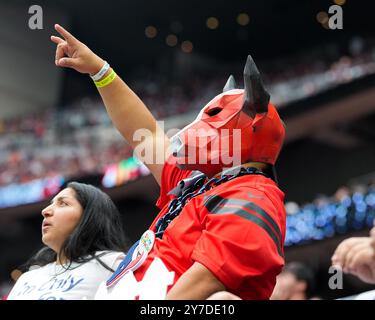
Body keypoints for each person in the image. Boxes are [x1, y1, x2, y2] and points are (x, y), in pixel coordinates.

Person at [51, 24, 286, 300]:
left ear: (254, 124)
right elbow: (146, 135)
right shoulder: (195, 184)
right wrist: (99, 70)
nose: (192, 129)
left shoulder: (253, 193)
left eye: (211, 116)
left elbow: (207, 280)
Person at [7, 182, 127, 300]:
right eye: (51, 203)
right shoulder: (27, 278)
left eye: (63, 203)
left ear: (90, 216)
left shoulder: (113, 263)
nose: (45, 211)